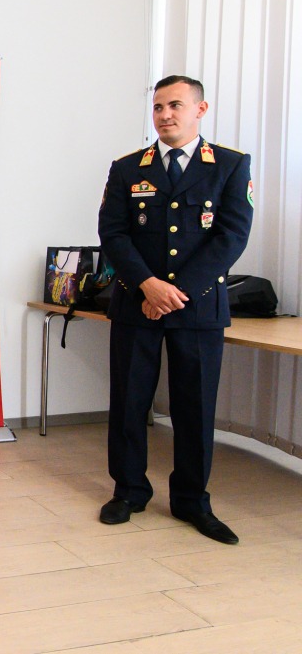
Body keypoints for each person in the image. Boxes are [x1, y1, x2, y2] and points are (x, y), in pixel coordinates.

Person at [97, 75, 253, 544]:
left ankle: (191, 500)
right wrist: (148, 286)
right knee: (129, 403)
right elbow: (113, 233)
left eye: (175, 105)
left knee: (195, 407)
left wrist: (175, 292)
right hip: (137, 303)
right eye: (158, 106)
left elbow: (231, 236)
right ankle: (128, 491)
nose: (165, 115)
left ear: (200, 110)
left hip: (198, 307)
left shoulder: (230, 165)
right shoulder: (128, 168)